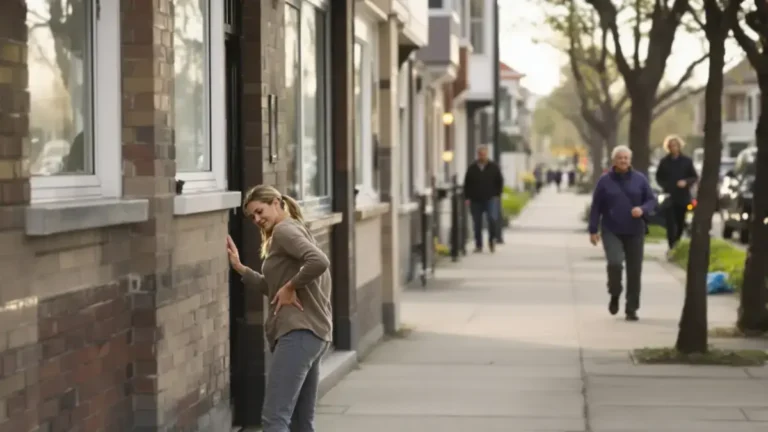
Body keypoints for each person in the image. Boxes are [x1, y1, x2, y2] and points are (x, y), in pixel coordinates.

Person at [226, 185, 332, 432]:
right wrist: (240, 268)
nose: (256, 219)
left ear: (276, 202)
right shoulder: (293, 229)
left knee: (275, 418)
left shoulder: (284, 230)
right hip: (312, 334)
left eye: (259, 211)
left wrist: (291, 286)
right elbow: (274, 289)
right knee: (300, 422)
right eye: (252, 216)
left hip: (299, 333)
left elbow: (319, 261)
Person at [588, 146, 656, 321]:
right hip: (612, 229)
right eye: (620, 158)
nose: (623, 160)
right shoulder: (604, 181)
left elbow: (651, 200)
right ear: (614, 160)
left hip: (635, 230)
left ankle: (631, 308)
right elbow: (596, 206)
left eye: (626, 158)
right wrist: (593, 230)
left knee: (634, 271)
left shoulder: (640, 179)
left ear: (630, 160)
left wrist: (642, 209)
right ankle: (615, 292)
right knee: (615, 263)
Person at [655, 135, 698, 254]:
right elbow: (658, 177)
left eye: (675, 145)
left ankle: (677, 242)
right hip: (669, 196)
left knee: (680, 221)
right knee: (670, 222)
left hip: (682, 196)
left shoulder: (687, 161)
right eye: (671, 146)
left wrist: (686, 182)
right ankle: (671, 245)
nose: (673, 148)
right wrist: (666, 185)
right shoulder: (664, 162)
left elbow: (694, 177)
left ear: (679, 146)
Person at [464, 145, 504, 253]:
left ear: (487, 154)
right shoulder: (472, 168)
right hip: (475, 199)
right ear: (478, 155)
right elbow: (467, 183)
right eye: (480, 154)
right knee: (477, 223)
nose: (482, 156)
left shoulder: (494, 167)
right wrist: (467, 197)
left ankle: (492, 241)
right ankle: (478, 245)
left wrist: (497, 195)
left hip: (491, 198)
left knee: (492, 219)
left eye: (484, 154)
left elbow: (500, 181)